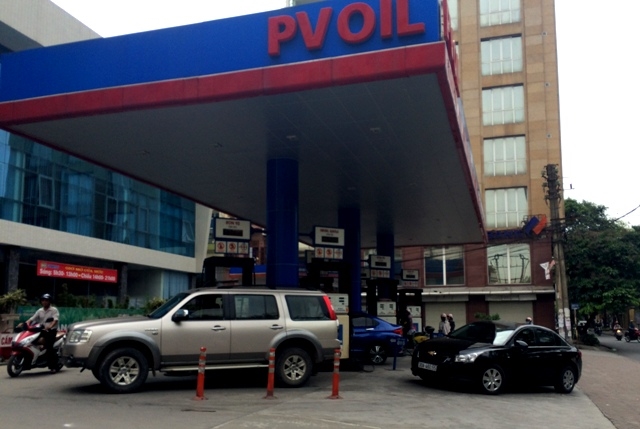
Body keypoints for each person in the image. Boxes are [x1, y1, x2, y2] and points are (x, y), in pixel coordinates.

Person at [20, 293, 60, 372]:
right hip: (41, 330)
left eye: (46, 300)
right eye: (43, 300)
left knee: (49, 347)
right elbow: (32, 318)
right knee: (30, 342)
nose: (44, 302)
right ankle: (29, 362)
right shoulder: (40, 310)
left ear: (49, 301)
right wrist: (25, 323)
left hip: (51, 331)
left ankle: (53, 366)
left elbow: (55, 320)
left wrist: (50, 326)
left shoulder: (54, 310)